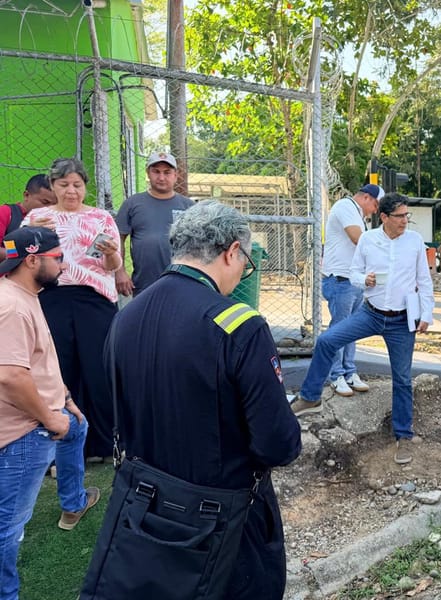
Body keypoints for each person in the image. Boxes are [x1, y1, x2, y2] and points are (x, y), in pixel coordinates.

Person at [106, 200, 301, 598]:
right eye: (245, 262)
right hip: (222, 516)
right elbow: (278, 443)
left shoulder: (127, 314)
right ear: (232, 251)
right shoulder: (240, 325)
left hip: (145, 503)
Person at [290, 193, 435, 465]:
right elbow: (354, 273)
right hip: (371, 313)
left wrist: (426, 313)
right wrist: (364, 280)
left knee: (402, 379)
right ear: (384, 217)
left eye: (407, 216)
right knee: (327, 340)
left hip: (401, 321)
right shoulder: (369, 239)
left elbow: (424, 281)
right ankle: (310, 397)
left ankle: (403, 436)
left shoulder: (414, 241)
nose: (405, 221)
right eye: (400, 216)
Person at [0, 227, 100, 600]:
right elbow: (10, 376)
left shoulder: (23, 293)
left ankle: (73, 503)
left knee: (78, 427)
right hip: (24, 433)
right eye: (57, 258)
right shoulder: (11, 306)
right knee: (8, 526)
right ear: (32, 260)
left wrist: (65, 400)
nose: (63, 265)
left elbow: (36, 363)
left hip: (45, 413)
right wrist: (50, 417)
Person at [22, 158, 122, 460]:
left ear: (85, 188)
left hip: (95, 300)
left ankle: (105, 444)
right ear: (52, 186)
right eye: (64, 185)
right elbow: (18, 256)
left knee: (99, 369)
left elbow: (112, 266)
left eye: (77, 185)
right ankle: (63, 442)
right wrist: (31, 237)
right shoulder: (38, 217)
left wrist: (112, 254)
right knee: (58, 370)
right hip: (51, 297)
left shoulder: (101, 218)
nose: (71, 191)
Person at [322, 183, 383, 396]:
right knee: (340, 329)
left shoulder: (357, 214)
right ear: (366, 197)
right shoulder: (345, 207)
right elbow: (357, 239)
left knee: (351, 330)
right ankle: (336, 374)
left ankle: (348, 371)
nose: (375, 210)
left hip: (354, 281)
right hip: (340, 280)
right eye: (375, 205)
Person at [114, 151, 193, 297]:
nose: (161, 177)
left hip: (183, 282)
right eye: (156, 171)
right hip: (144, 284)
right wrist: (120, 271)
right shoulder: (133, 203)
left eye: (167, 172)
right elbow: (117, 238)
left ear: (176, 175)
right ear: (148, 174)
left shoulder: (189, 206)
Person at [0, 175, 56, 261]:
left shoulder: (54, 221)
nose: (49, 208)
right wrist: (21, 253)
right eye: (45, 202)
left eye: (55, 204)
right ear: (26, 195)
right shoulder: (7, 213)